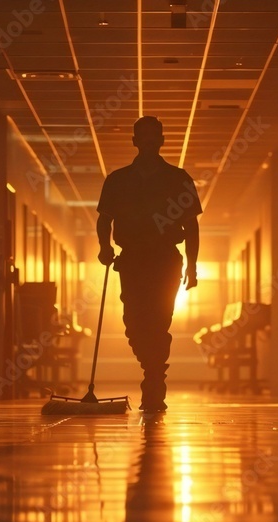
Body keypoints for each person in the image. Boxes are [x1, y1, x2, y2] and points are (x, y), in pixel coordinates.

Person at [96, 116, 201, 423]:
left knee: (159, 321)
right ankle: (153, 370)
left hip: (165, 259)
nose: (150, 142)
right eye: (144, 136)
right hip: (131, 260)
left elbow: (191, 226)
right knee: (134, 323)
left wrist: (193, 266)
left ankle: (154, 381)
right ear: (135, 141)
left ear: (162, 141)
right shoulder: (117, 180)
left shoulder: (178, 179)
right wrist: (104, 246)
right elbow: (104, 219)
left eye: (155, 136)